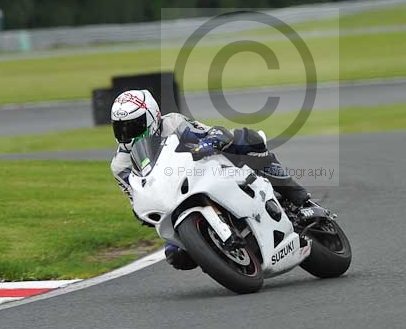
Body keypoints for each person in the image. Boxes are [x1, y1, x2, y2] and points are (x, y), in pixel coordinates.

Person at [109, 89, 311, 270]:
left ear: (153, 116)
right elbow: (135, 194)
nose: (127, 135)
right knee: (176, 255)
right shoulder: (120, 165)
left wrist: (210, 140)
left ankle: (300, 199)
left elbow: (206, 132)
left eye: (134, 126)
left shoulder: (172, 123)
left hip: (205, 167)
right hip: (174, 195)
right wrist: (142, 210)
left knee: (247, 140)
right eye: (120, 128)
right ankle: (223, 258)